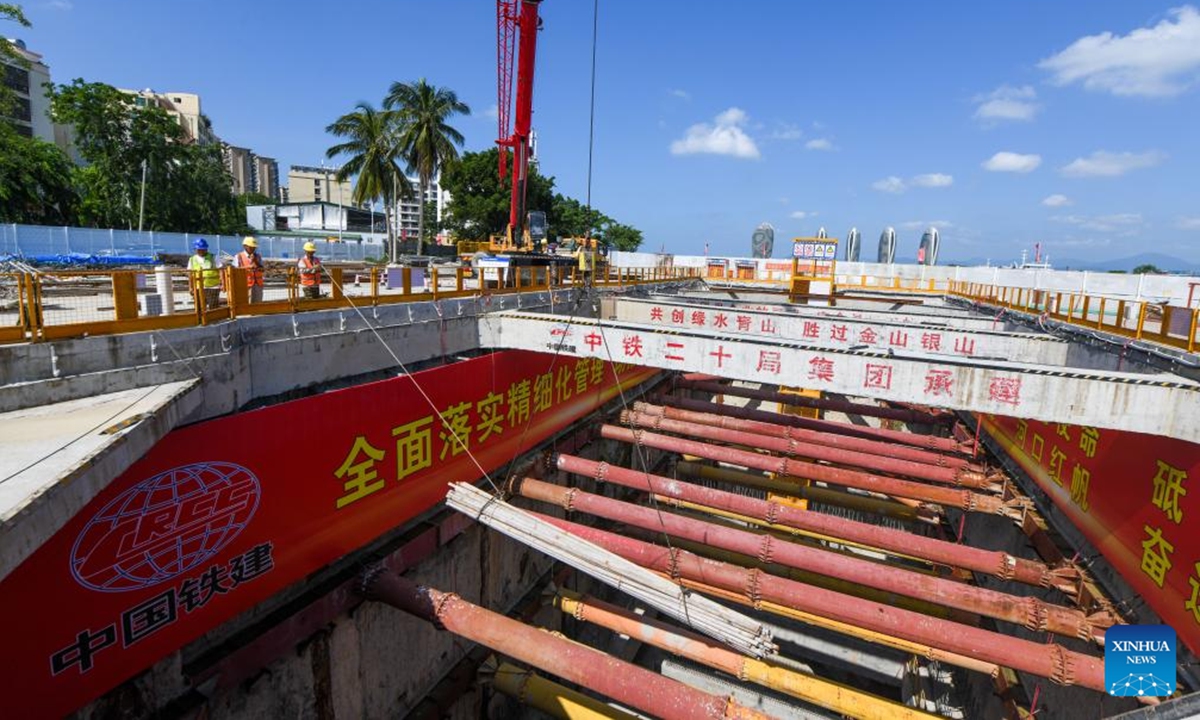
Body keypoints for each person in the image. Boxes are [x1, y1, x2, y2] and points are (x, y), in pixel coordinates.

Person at [187, 238, 222, 309]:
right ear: (195, 249)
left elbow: (221, 271)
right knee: (199, 307)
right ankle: (200, 320)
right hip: (198, 287)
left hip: (213, 287)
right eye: (199, 249)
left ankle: (214, 319)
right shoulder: (192, 259)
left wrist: (222, 284)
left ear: (206, 248)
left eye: (203, 249)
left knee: (214, 307)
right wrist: (191, 287)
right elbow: (190, 274)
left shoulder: (213, 257)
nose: (201, 251)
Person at [235, 236, 265, 303]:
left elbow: (262, 269)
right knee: (247, 304)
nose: (253, 249)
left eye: (254, 247)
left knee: (258, 305)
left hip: (257, 285)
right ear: (245, 246)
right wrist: (248, 267)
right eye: (251, 247)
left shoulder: (258, 256)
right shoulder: (238, 256)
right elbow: (235, 270)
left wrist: (255, 261)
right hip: (245, 285)